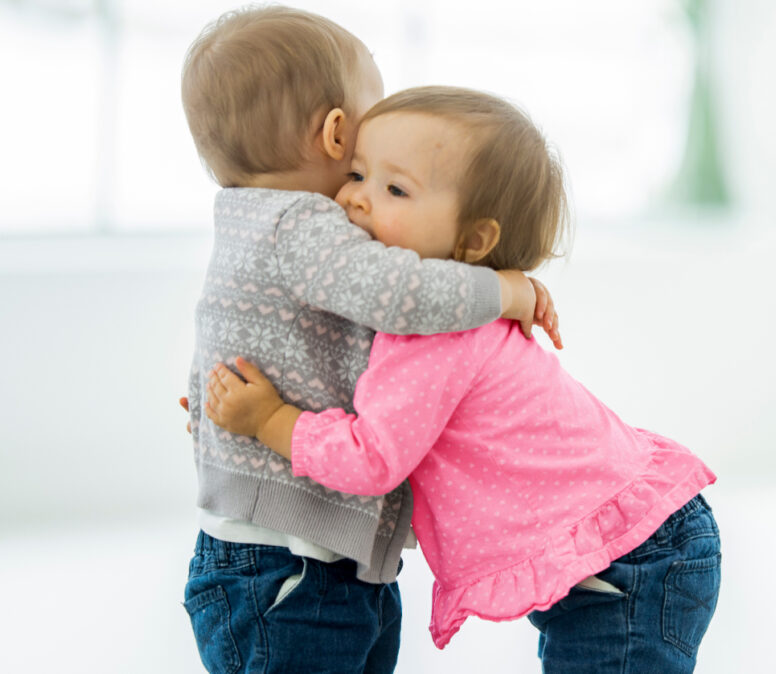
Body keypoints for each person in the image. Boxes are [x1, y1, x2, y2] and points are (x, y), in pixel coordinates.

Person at [203, 86, 721, 674]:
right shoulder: (443, 313)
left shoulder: (432, 338)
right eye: (358, 173)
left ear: (474, 242)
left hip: (632, 564)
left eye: (394, 189)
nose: (355, 200)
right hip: (635, 546)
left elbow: (372, 459)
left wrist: (270, 420)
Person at [179, 9, 558, 673]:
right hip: (290, 566)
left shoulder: (249, 222)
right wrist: (507, 292)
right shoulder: (302, 224)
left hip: (297, 559)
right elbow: (402, 295)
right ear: (335, 133)